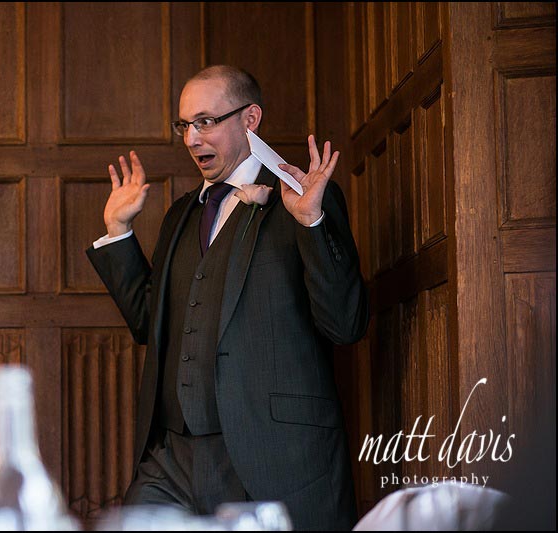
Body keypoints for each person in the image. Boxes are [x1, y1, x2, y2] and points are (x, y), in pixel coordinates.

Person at [86, 65, 368, 530]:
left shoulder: (301, 200)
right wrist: (118, 233)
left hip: (273, 453)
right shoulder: (180, 215)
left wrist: (312, 225)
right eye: (184, 126)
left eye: (206, 122)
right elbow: (149, 323)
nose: (192, 139)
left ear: (250, 119)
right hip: (172, 457)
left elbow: (346, 324)